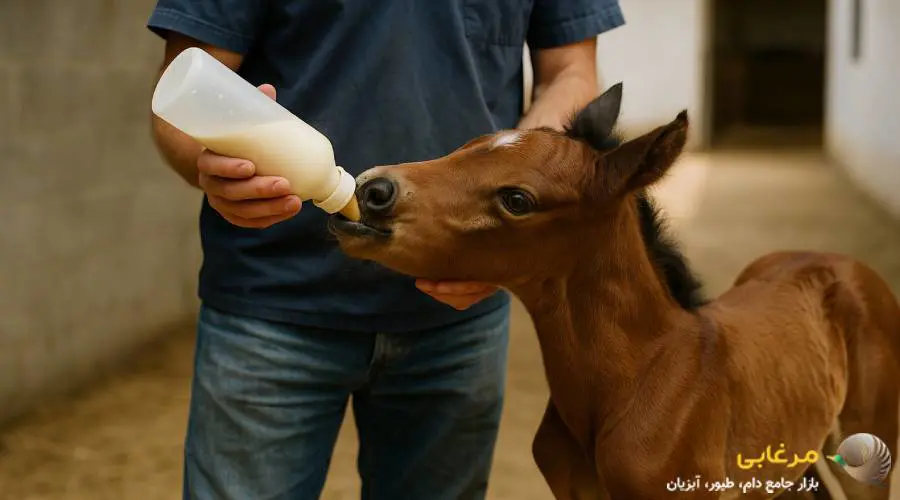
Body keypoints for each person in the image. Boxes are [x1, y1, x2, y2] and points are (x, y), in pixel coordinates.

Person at [147, 1, 624, 499]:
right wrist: (212, 167)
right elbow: (182, 95)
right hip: (270, 309)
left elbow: (570, 70)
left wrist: (513, 221)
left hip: (456, 323)